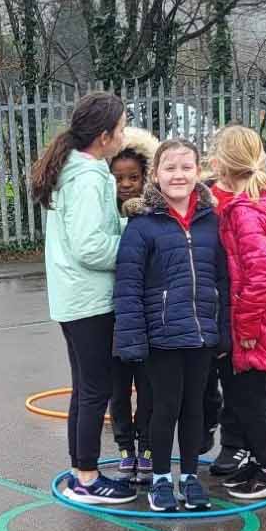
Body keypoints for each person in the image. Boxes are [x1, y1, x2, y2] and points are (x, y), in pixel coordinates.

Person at [113, 137, 227, 513]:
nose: (178, 175)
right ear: (156, 175)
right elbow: (127, 287)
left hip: (200, 333)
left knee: (195, 407)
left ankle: (190, 476)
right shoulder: (142, 225)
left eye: (186, 167)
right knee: (164, 408)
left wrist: (222, 328)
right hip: (161, 336)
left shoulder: (211, 220)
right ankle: (161, 478)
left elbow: (222, 280)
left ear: (198, 171)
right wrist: (132, 341)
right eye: (170, 168)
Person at [34, 91, 134, 504]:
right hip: (90, 300)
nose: (125, 133)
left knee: (85, 387)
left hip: (71, 298)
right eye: (123, 126)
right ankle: (88, 479)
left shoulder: (69, 169)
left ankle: (82, 469)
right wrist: (134, 242)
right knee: (96, 389)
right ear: (105, 135)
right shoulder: (91, 175)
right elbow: (90, 247)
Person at [208, 125, 266, 499]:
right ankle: (257, 462)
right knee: (246, 394)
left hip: (254, 321)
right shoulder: (259, 200)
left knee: (249, 399)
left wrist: (244, 326)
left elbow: (260, 276)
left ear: (222, 164)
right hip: (261, 317)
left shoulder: (245, 212)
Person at [109, 129, 160, 475]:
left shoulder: (152, 215)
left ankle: (148, 444)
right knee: (117, 386)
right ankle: (125, 445)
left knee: (148, 385)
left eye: (133, 177)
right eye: (119, 178)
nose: (126, 184)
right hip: (112, 313)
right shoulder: (102, 214)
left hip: (146, 312)